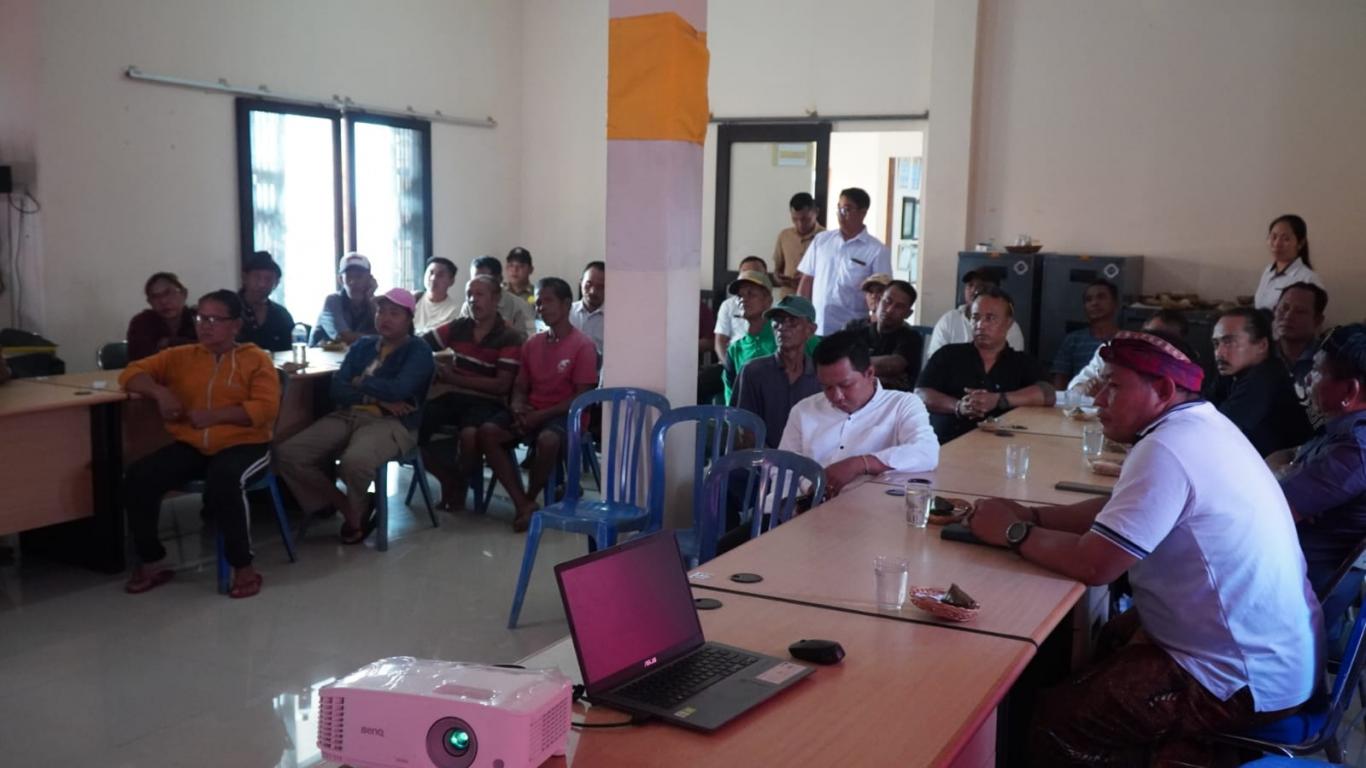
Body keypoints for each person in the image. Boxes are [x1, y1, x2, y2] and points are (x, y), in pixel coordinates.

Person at [967, 330, 1320, 765]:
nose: (1098, 399)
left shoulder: (1167, 447)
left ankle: (1187, 751)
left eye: (1114, 386)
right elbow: (1122, 509)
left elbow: (1094, 565)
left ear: (1165, 390)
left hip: (1239, 680)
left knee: (1058, 720)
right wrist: (1033, 515)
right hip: (1272, 658)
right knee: (1104, 643)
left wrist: (1013, 533)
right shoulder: (1200, 425)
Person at [118, 289, 280, 598]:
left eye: (215, 320)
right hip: (194, 444)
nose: (205, 326)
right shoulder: (181, 356)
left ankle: (243, 566)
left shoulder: (255, 359)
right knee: (139, 476)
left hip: (245, 443)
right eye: (201, 318)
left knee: (225, 480)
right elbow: (131, 373)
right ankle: (152, 560)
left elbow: (265, 409)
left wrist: (215, 416)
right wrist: (160, 393)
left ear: (235, 325)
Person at [276, 288, 435, 545]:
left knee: (354, 461)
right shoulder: (363, 345)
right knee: (288, 453)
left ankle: (355, 510)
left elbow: (400, 389)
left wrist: (360, 381)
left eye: (394, 313)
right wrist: (375, 398)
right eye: (381, 311)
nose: (385, 318)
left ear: (409, 319)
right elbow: (337, 388)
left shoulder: (418, 350)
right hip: (349, 414)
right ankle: (348, 507)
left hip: (392, 422)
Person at [478, 277, 598, 532]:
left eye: (548, 301)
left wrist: (539, 416)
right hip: (532, 410)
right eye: (539, 302)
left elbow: (580, 398)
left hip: (565, 414)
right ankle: (522, 502)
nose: (542, 307)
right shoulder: (532, 343)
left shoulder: (583, 346)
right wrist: (518, 405)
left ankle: (531, 495)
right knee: (488, 432)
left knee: (548, 440)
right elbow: (521, 385)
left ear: (566, 304)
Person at [780, 331, 939, 495]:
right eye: (827, 387)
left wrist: (860, 464)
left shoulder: (902, 404)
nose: (837, 396)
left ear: (869, 373)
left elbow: (926, 452)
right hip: (806, 503)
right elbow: (782, 468)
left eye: (846, 385)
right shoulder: (804, 410)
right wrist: (807, 492)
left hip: (871, 505)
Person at [1273, 324, 1366, 596]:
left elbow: (1268, 511)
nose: (1308, 379)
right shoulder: (1344, 431)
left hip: (1297, 587)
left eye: (1316, 371)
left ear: (1350, 391)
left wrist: (1285, 475)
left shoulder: (1353, 449)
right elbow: (1286, 456)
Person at [419, 275, 525, 511]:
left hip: (486, 401)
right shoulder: (460, 326)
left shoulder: (508, 336)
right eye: (469, 294)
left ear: (495, 299)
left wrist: (454, 379)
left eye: (479, 295)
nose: (473, 300)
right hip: (454, 396)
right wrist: (434, 367)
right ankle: (448, 478)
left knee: (470, 435)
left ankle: (461, 481)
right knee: (411, 426)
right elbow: (420, 345)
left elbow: (501, 386)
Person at [916, 287, 1054, 443]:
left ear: (1008, 323)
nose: (980, 325)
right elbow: (920, 393)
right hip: (947, 442)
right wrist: (958, 406)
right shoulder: (948, 355)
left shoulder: (1021, 362)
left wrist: (999, 400)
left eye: (990, 318)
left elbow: (1048, 394)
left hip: (1001, 444)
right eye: (975, 317)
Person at [1208, 307, 1312, 456]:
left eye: (1229, 342)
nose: (1219, 353)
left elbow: (1214, 430)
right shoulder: (1231, 373)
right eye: (1216, 344)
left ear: (1262, 346)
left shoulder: (1266, 378)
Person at [796, 187, 891, 335]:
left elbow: (882, 292)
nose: (840, 214)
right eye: (839, 208)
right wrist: (800, 316)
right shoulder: (821, 240)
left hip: (852, 331)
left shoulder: (877, 250)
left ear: (863, 212)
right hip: (816, 327)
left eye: (846, 209)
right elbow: (807, 280)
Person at [736, 296, 823, 448]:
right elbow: (745, 429)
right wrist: (772, 459)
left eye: (792, 321)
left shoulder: (821, 375)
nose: (782, 327)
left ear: (810, 330)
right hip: (762, 458)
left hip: (809, 458)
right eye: (778, 321)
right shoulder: (753, 371)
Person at [1066, 309, 1188, 397]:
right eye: (1150, 335)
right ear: (1142, 331)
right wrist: (1085, 388)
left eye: (1164, 339)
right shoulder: (1113, 350)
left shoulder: (1184, 369)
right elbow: (1073, 389)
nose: (1154, 342)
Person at [925, 270, 1026, 359]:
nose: (973, 290)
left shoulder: (1010, 327)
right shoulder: (949, 319)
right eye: (970, 285)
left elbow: (1013, 364)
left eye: (981, 286)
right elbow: (934, 357)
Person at [844, 279, 922, 390]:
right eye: (887, 301)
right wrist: (881, 378)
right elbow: (834, 359)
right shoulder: (855, 329)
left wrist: (848, 365)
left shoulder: (911, 337)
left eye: (899, 306)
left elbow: (893, 366)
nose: (890, 310)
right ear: (879, 301)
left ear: (908, 314)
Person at [1273, 281, 1329, 427]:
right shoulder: (1259, 355)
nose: (1288, 316)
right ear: (1274, 310)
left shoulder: (1329, 363)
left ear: (1317, 320)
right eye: (1284, 308)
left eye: (1300, 311)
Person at [1050, 279, 1120, 389]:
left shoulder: (1128, 342)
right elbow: (1059, 383)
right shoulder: (1073, 340)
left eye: (1101, 297)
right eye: (1088, 299)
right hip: (1078, 395)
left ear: (1115, 303)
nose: (1094, 303)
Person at [1255, 214, 1324, 310]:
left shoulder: (1308, 279)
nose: (1277, 244)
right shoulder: (1268, 271)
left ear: (1300, 243)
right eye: (1273, 237)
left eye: (1286, 239)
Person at [126, 272, 197, 361]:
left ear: (184, 294)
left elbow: (209, 349)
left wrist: (171, 342)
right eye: (155, 297)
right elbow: (141, 361)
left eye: (168, 293)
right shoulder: (140, 323)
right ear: (149, 302)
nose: (163, 301)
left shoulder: (200, 318)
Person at [460, 255, 535, 337]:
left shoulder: (519, 305)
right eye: (474, 279)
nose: (478, 284)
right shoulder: (468, 305)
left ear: (499, 279)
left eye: (483, 279)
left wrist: (511, 332)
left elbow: (530, 338)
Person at [713, 255, 769, 366]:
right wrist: (729, 367)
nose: (743, 300)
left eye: (751, 294)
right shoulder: (734, 348)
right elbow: (720, 341)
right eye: (740, 295)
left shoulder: (778, 312)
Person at [311, 252, 377, 345]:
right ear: (341, 280)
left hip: (352, 353)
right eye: (349, 276)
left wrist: (371, 298)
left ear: (369, 279)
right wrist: (379, 338)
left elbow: (385, 331)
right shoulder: (332, 301)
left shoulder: (374, 303)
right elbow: (344, 337)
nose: (353, 282)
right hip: (320, 353)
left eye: (359, 276)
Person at [237, 250, 295, 353]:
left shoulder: (281, 314)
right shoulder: (228, 309)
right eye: (257, 277)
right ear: (245, 278)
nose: (262, 284)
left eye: (268, 279)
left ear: (276, 283)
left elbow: (289, 351)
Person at [771, 192, 824, 293]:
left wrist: (808, 279)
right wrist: (779, 278)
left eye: (805, 219)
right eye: (795, 219)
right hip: (788, 296)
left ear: (816, 212)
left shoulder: (826, 238)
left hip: (814, 297)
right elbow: (777, 270)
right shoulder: (784, 236)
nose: (800, 224)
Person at [413, 257, 461, 335]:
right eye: (431, 272)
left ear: (451, 281)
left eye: (440, 275)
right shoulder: (414, 300)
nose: (433, 278)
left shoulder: (454, 311)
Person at [570, 261, 605, 359]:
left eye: (601, 287)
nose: (593, 291)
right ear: (581, 283)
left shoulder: (616, 320)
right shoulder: (566, 312)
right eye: (588, 285)